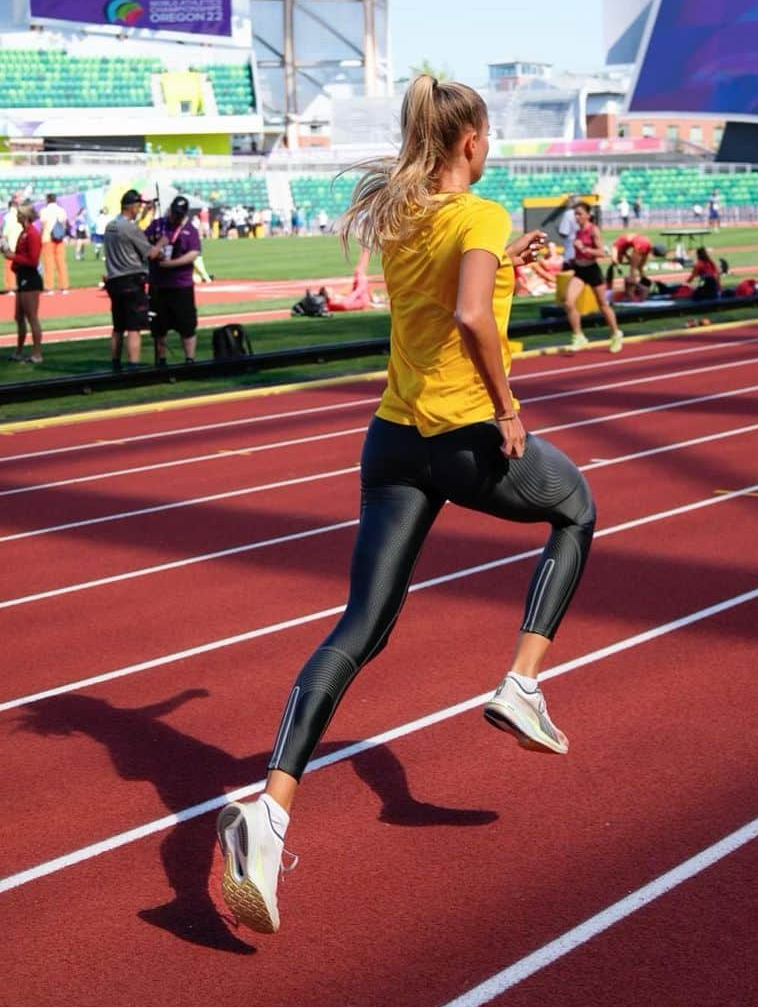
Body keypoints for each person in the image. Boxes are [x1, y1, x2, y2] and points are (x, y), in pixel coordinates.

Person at [215, 75, 597, 935]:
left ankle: (269, 818)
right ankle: (521, 684)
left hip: (391, 440)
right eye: (488, 137)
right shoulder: (478, 213)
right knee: (576, 512)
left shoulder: (406, 213)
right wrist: (507, 407)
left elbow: (449, 294)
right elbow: (468, 313)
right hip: (462, 436)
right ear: (471, 140)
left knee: (362, 625)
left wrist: (511, 263)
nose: (490, 149)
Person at [103, 189, 163, 371]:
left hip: (114, 279)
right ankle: (133, 365)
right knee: (134, 327)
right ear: (133, 206)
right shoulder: (130, 228)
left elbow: (129, 231)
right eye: (138, 206)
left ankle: (116, 363)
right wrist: (162, 243)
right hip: (131, 280)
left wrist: (145, 214)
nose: (139, 209)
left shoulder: (111, 225)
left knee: (118, 327)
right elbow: (151, 253)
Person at [146, 195, 202, 365]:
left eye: (180, 214)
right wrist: (155, 244)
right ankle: (161, 359)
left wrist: (172, 264)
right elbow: (142, 242)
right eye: (174, 213)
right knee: (158, 326)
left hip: (181, 285)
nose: (176, 217)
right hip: (158, 284)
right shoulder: (158, 225)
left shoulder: (190, 230)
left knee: (187, 325)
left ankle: (190, 359)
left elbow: (194, 253)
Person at [564, 202, 623, 352]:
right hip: (579, 271)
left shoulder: (593, 230)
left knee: (603, 304)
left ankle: (616, 333)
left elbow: (602, 253)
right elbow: (579, 252)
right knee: (569, 302)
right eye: (575, 214)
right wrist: (573, 259)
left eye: (579, 214)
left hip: (592, 270)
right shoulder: (577, 231)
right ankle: (578, 336)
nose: (577, 217)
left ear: (588, 215)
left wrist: (583, 248)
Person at [1, 202, 44, 363]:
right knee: (19, 317)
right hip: (22, 276)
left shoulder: (32, 234)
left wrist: (13, 257)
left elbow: (33, 260)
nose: (17, 216)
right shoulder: (24, 233)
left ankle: (37, 353)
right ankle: (19, 351)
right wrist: (9, 253)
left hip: (30, 278)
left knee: (32, 316)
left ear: (24, 216)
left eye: (19, 214)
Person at [39, 193, 70, 293]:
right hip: (59, 239)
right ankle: (64, 287)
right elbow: (65, 224)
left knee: (48, 264)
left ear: (47, 200)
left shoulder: (44, 211)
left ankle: (49, 287)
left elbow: (43, 225)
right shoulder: (61, 210)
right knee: (61, 263)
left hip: (47, 239)